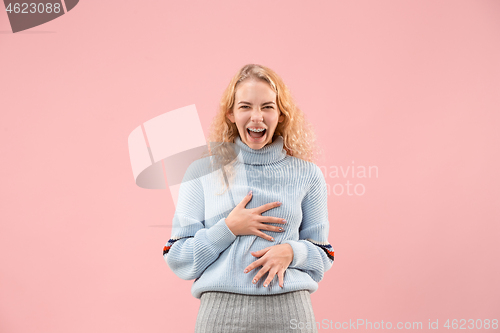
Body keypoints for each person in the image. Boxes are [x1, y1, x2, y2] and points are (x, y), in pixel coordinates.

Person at [163, 64, 334, 332]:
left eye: (267, 107)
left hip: (290, 315)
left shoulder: (308, 174)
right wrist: (228, 228)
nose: (257, 117)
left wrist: (292, 251)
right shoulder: (202, 172)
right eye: (245, 107)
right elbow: (177, 254)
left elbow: (325, 253)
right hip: (221, 316)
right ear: (230, 114)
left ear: (281, 114)